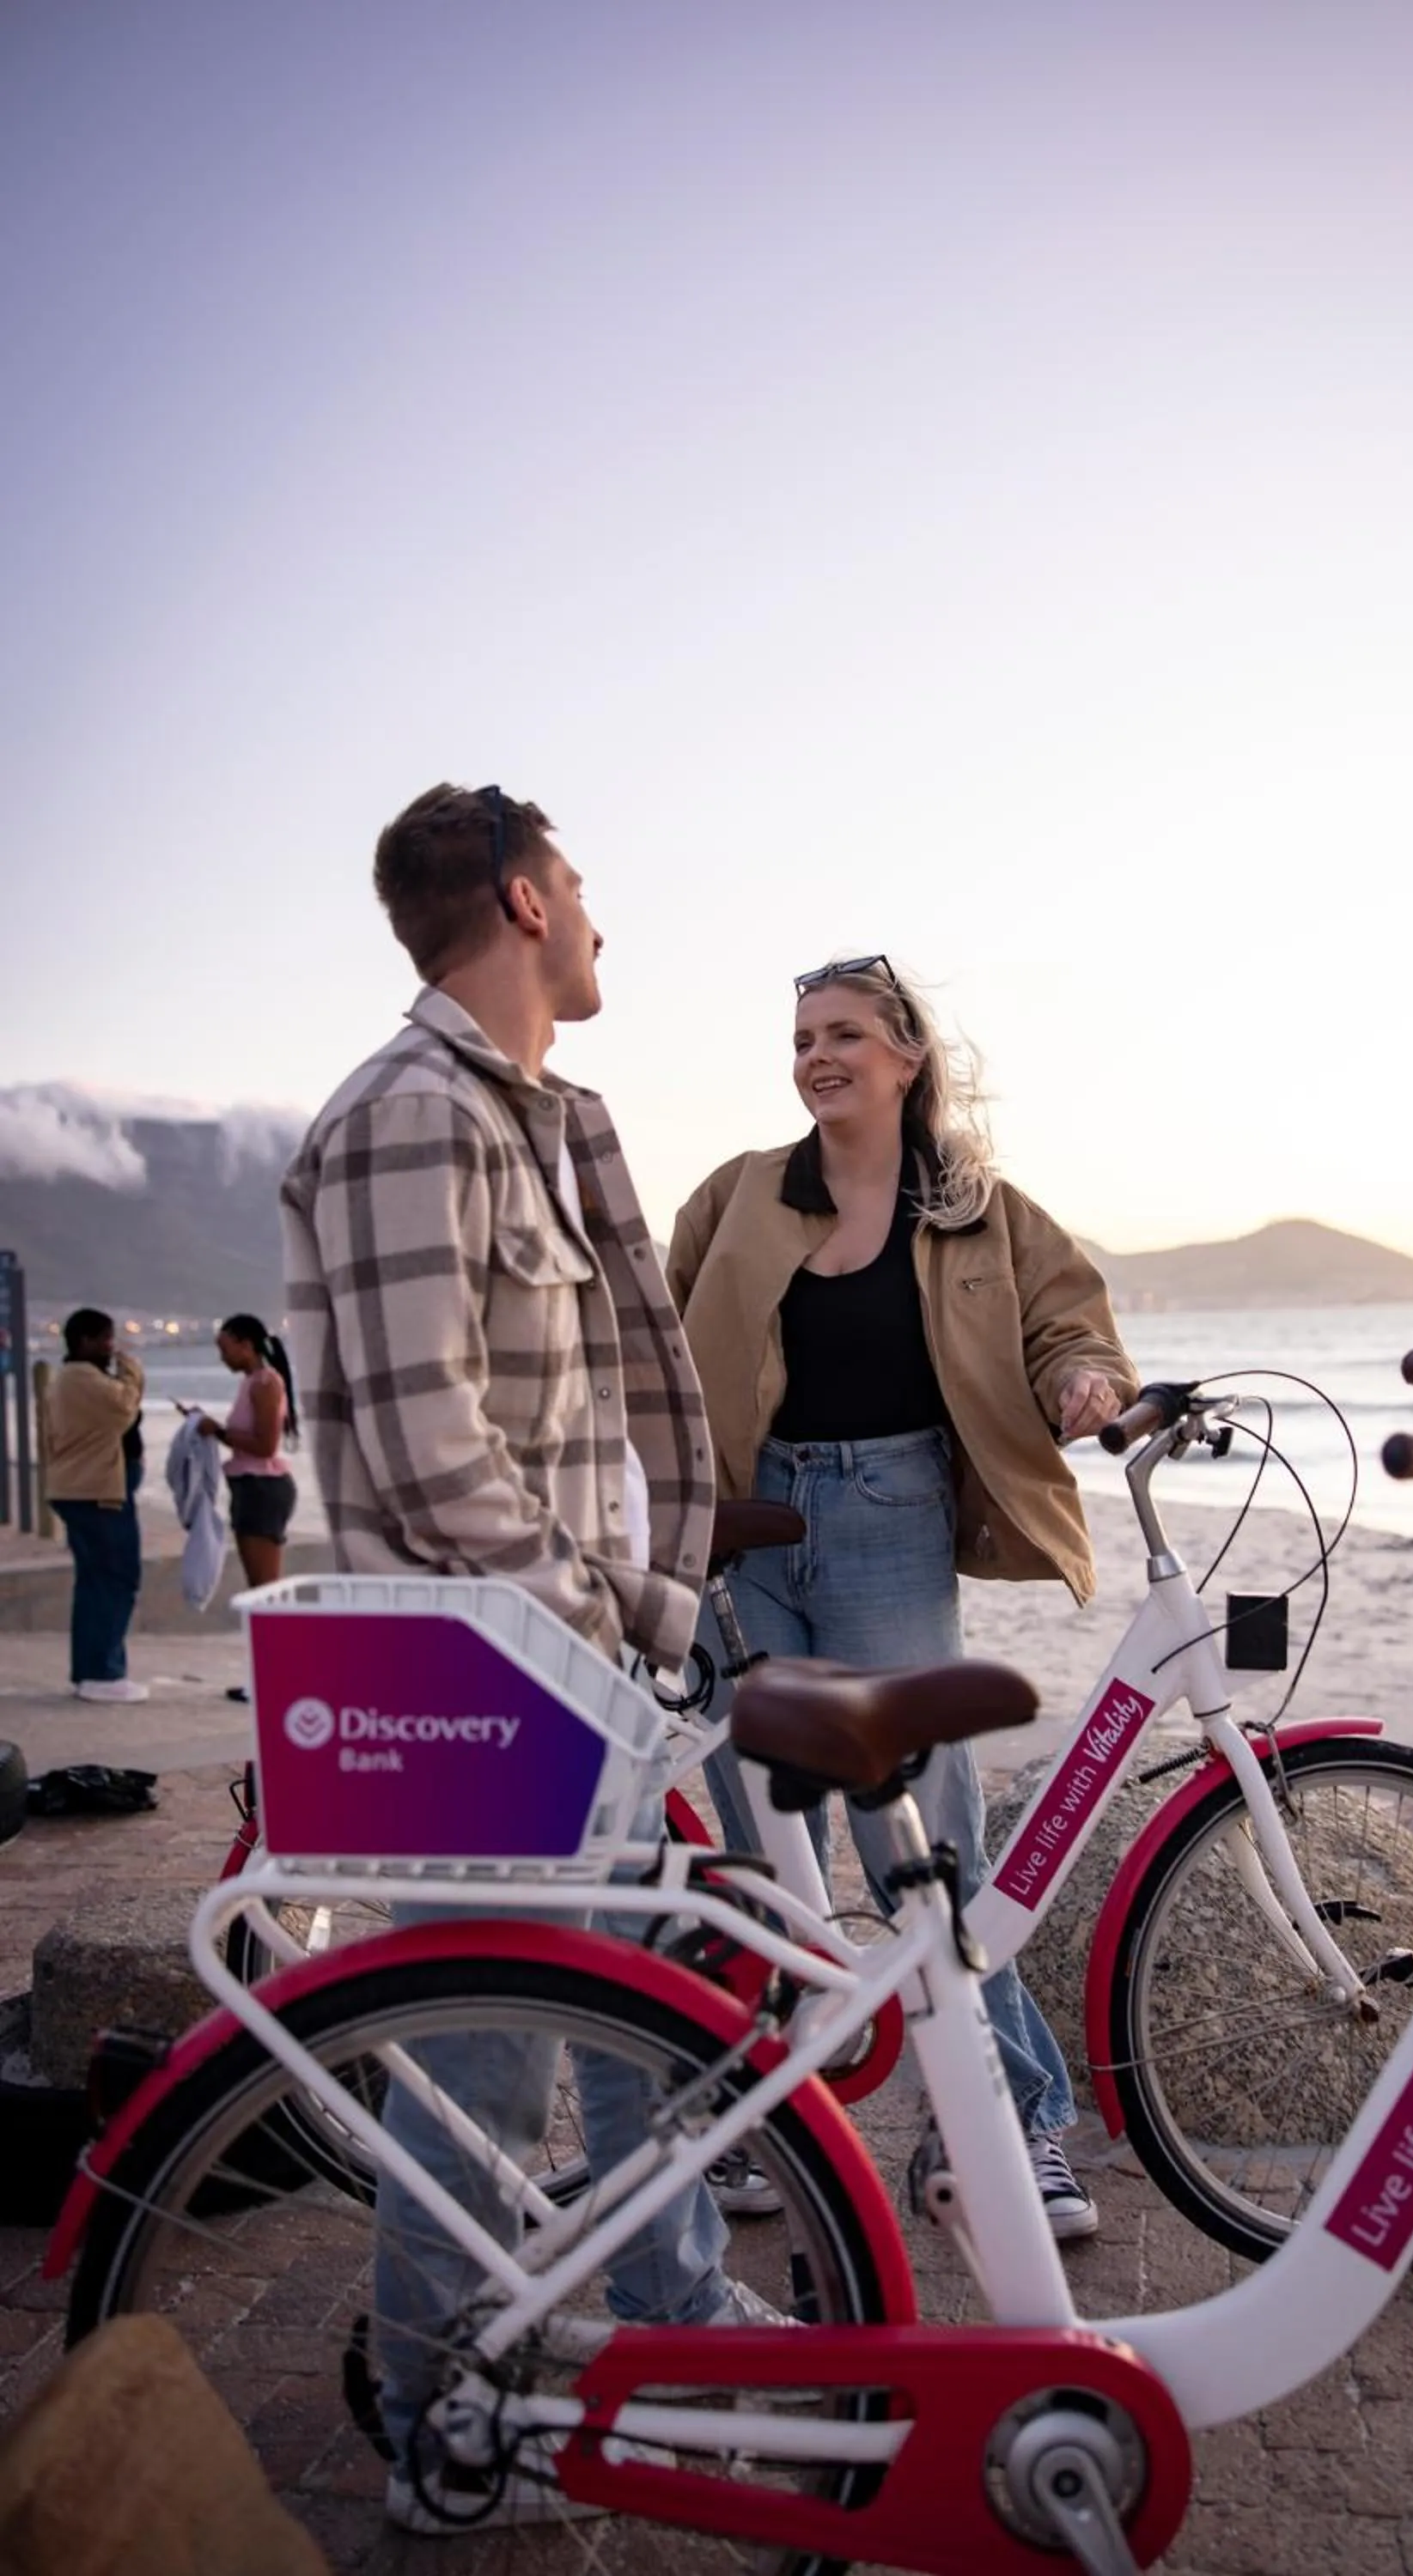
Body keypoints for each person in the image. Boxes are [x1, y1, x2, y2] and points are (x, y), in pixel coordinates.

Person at [281, 782, 764, 2532]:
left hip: (576, 1670)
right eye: (582, 883)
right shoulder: (411, 1119)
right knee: (483, 2068)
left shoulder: (533, 1116)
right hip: (492, 1680)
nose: (603, 918)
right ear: (520, 898)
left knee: (647, 2029)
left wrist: (644, 1612)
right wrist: (624, 1611)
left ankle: (682, 2332)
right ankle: (441, 2431)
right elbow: (429, 1457)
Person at [667, 953, 1137, 2243]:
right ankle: (757, 2126)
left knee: (925, 1844)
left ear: (907, 1054)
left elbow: (1070, 1327)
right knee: (768, 1857)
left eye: (847, 1035)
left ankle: (1009, 2117)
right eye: (804, 1036)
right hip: (744, 1537)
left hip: (894, 1525)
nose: (820, 1056)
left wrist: (1085, 1384)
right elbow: (658, 1351)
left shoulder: (983, 1207)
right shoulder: (738, 1195)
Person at [42, 1309, 149, 1704]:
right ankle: (103, 1673)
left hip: (82, 1489)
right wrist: (132, 1368)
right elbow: (125, 1406)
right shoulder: (82, 1378)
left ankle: (91, 1671)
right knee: (115, 1579)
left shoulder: (69, 1379)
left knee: (94, 1582)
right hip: (96, 1494)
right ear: (84, 1341)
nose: (112, 1347)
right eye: (106, 1339)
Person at [191, 1313, 300, 1589]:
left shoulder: (265, 1384)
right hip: (252, 1486)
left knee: (264, 1587)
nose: (222, 1357)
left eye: (225, 1350)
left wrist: (217, 1431)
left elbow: (265, 1446)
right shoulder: (253, 1382)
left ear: (246, 1345)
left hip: (261, 1488)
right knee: (260, 1584)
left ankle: (275, 1632)